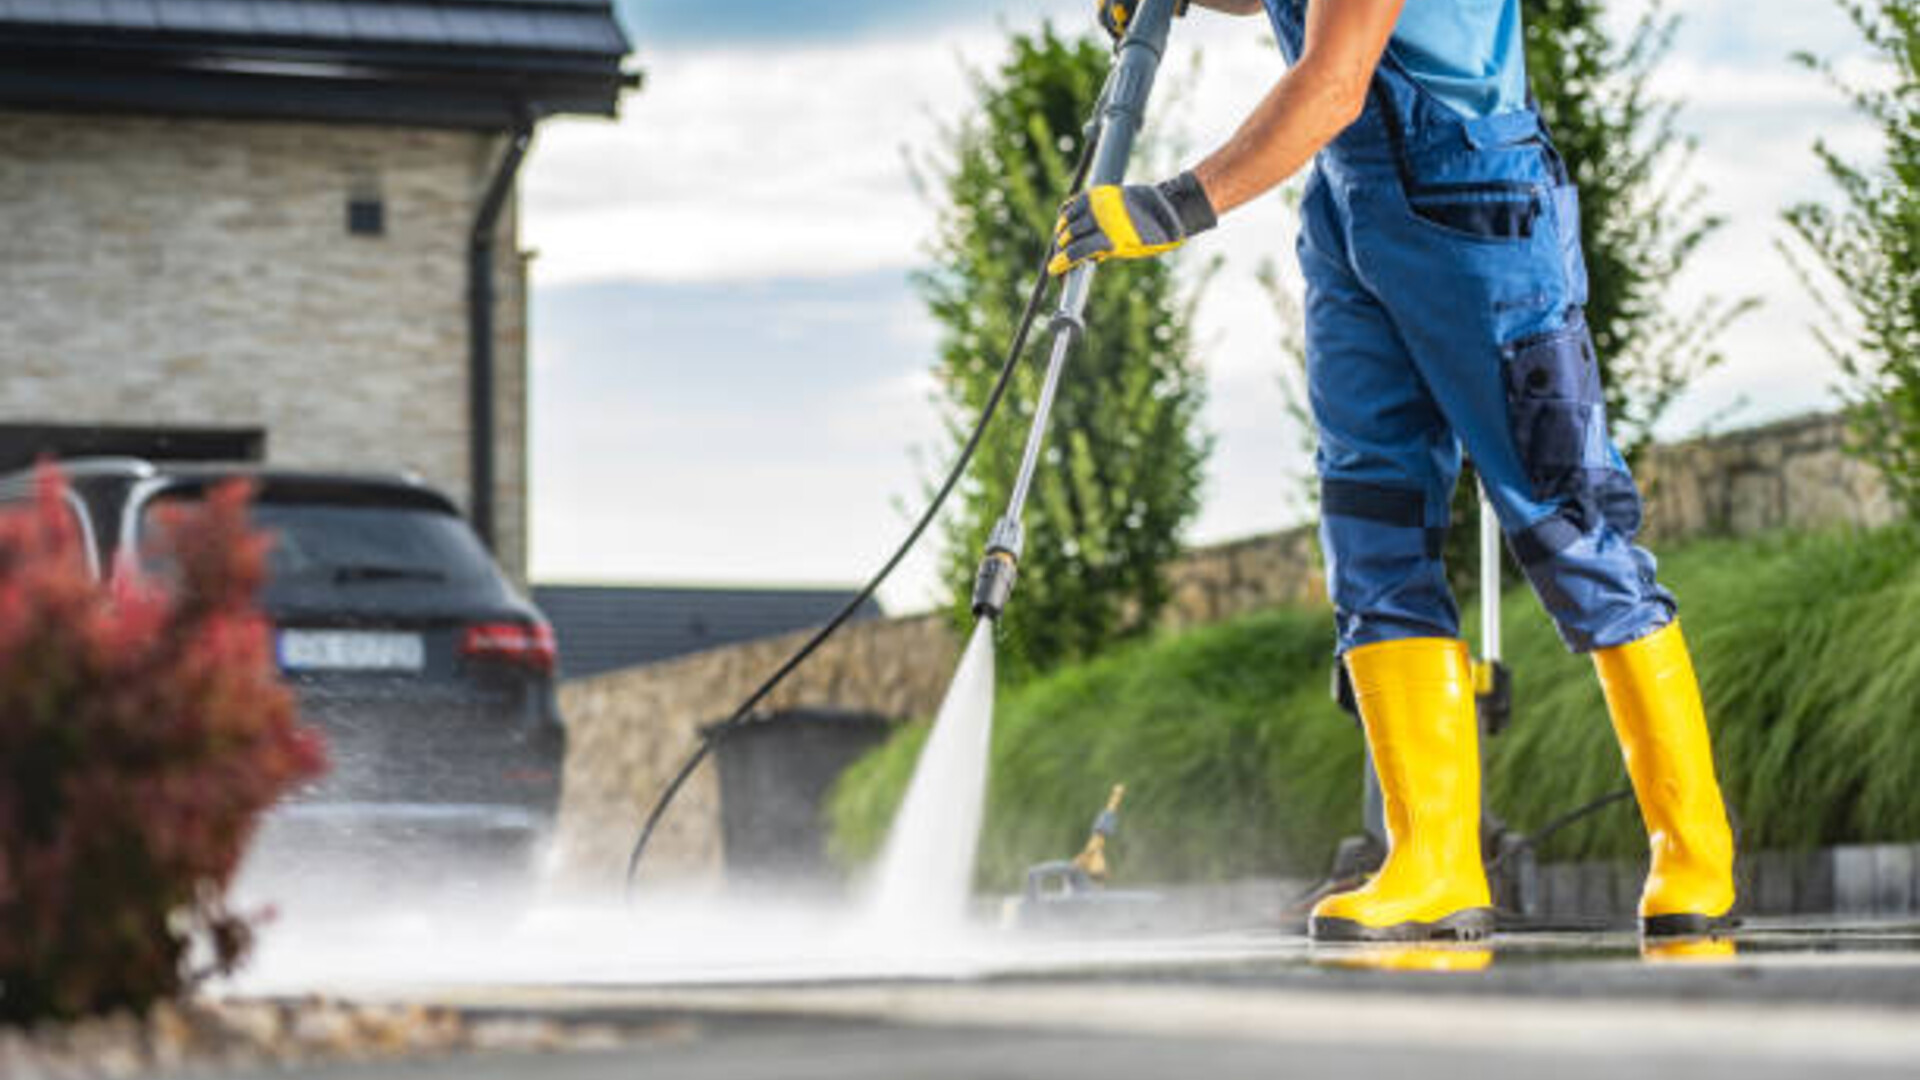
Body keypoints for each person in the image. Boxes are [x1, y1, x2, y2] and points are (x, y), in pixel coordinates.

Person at [1065, 0, 1736, 941]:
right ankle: (1430, 859)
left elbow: (1333, 82)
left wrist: (1172, 203)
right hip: (1352, 210)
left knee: (1568, 522)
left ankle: (1692, 854)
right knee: (1373, 530)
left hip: (1476, 204)